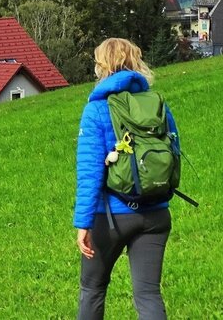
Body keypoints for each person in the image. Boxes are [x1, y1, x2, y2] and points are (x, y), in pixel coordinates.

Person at [74, 38, 178, 319]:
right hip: (156, 214)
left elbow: (89, 172)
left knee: (92, 289)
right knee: (148, 294)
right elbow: (173, 155)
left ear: (102, 66)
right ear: (136, 62)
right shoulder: (157, 105)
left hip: (110, 218)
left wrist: (83, 223)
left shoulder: (96, 109)